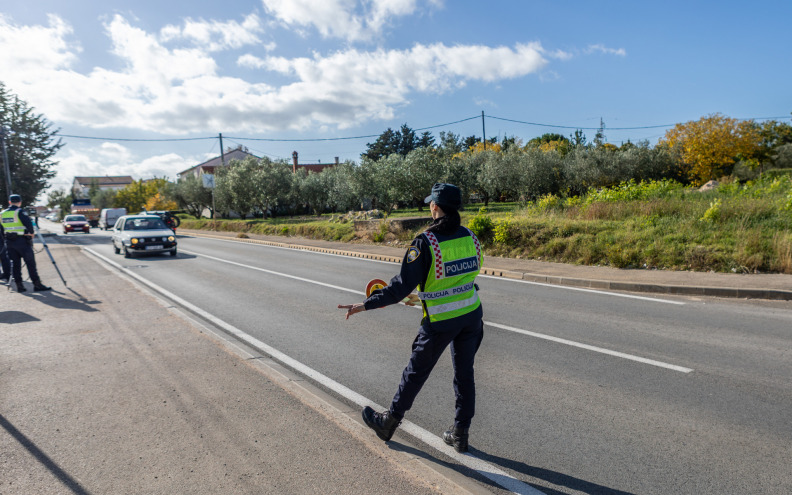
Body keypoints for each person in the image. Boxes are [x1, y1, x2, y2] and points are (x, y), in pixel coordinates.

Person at [338, 183, 484, 453]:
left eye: (431, 203)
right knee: (465, 375)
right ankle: (460, 433)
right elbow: (461, 282)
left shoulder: (425, 242)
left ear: (435, 207)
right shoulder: (470, 237)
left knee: (415, 374)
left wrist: (365, 304)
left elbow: (399, 288)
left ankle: (388, 423)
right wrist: (426, 296)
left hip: (440, 321)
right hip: (471, 316)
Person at [1, 194, 51, 292]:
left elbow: (1, 229)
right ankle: (37, 285)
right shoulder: (19, 212)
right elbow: (29, 225)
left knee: (15, 265)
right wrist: (31, 234)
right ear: (20, 202)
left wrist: (5, 239)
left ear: (9, 202)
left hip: (9, 242)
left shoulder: (2, 214)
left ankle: (19, 286)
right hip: (22, 242)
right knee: (30, 263)